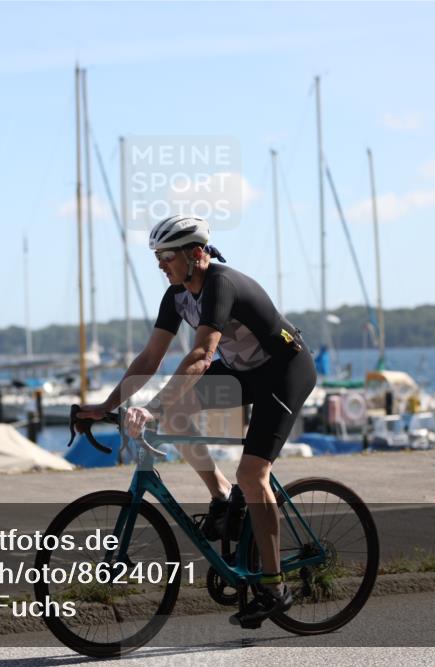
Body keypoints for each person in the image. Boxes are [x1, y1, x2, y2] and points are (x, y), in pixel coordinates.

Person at [78, 214, 317, 627]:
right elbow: (150, 357)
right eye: (157, 257)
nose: (160, 265)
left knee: (254, 473)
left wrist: (154, 407)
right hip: (244, 374)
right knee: (183, 411)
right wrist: (106, 404)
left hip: (284, 371)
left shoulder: (221, 284)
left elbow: (203, 356)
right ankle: (221, 495)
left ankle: (276, 586)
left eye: (166, 256)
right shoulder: (176, 295)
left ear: (196, 254)